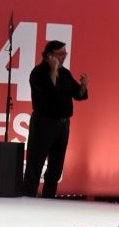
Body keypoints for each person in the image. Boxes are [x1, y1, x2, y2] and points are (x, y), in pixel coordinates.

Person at [24, 40, 90, 198]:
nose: (63, 57)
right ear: (49, 55)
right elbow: (49, 91)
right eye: (60, 54)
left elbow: (78, 95)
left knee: (56, 165)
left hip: (63, 124)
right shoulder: (38, 73)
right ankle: (28, 196)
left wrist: (83, 85)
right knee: (36, 162)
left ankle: (49, 198)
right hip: (44, 122)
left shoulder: (65, 74)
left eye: (65, 54)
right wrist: (53, 70)